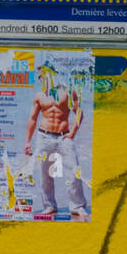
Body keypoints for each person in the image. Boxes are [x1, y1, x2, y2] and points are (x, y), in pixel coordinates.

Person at [23, 65, 88, 219]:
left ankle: (77, 206)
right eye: (39, 77)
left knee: (73, 171)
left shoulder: (67, 91)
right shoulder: (39, 96)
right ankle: (49, 206)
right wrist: (27, 141)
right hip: (43, 136)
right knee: (45, 174)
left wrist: (72, 133)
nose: (41, 79)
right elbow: (32, 119)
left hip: (64, 137)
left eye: (43, 75)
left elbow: (79, 112)